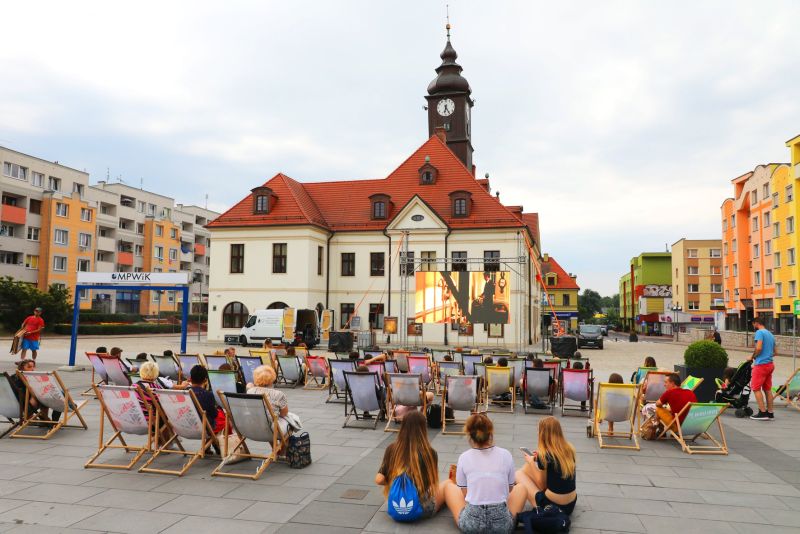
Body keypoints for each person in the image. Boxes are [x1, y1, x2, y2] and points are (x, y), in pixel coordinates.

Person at [442, 413, 527, 533]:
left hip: (472, 523)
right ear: (490, 433)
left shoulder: (464, 457)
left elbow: (465, 494)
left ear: (469, 435)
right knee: (522, 488)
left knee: (449, 487)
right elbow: (510, 489)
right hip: (502, 525)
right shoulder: (505, 454)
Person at [376, 411, 446, 520]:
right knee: (447, 485)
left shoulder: (391, 449)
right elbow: (432, 483)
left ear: (403, 427)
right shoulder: (430, 452)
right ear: (424, 429)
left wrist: (395, 483)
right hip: (422, 509)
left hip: (395, 505)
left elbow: (379, 480)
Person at [516, 416, 577, 516]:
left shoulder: (544, 454)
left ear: (543, 434)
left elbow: (542, 485)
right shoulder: (569, 449)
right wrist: (537, 459)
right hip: (570, 505)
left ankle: (513, 496)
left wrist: (531, 462)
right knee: (528, 469)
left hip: (552, 507)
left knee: (518, 474)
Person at [246, 365, 299, 441]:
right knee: (292, 423)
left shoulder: (250, 391)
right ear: (272, 377)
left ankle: (275, 448)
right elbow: (284, 413)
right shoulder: (278, 394)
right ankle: (282, 450)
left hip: (252, 428)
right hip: (271, 430)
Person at [176, 365, 227, 435]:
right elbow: (214, 414)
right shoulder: (208, 395)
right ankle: (215, 443)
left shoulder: (184, 393)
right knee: (224, 418)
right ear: (205, 380)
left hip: (186, 426)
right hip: (205, 427)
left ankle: (210, 443)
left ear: (190, 378)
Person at [749, 317, 776, 420]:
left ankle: (762, 412)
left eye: (753, 324)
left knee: (755, 388)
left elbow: (759, 348)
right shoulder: (771, 334)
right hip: (770, 365)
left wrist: (752, 357)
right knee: (767, 389)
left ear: (756, 323)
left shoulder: (760, 332)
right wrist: (767, 356)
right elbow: (775, 352)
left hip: (761, 365)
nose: (753, 326)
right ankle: (770, 413)